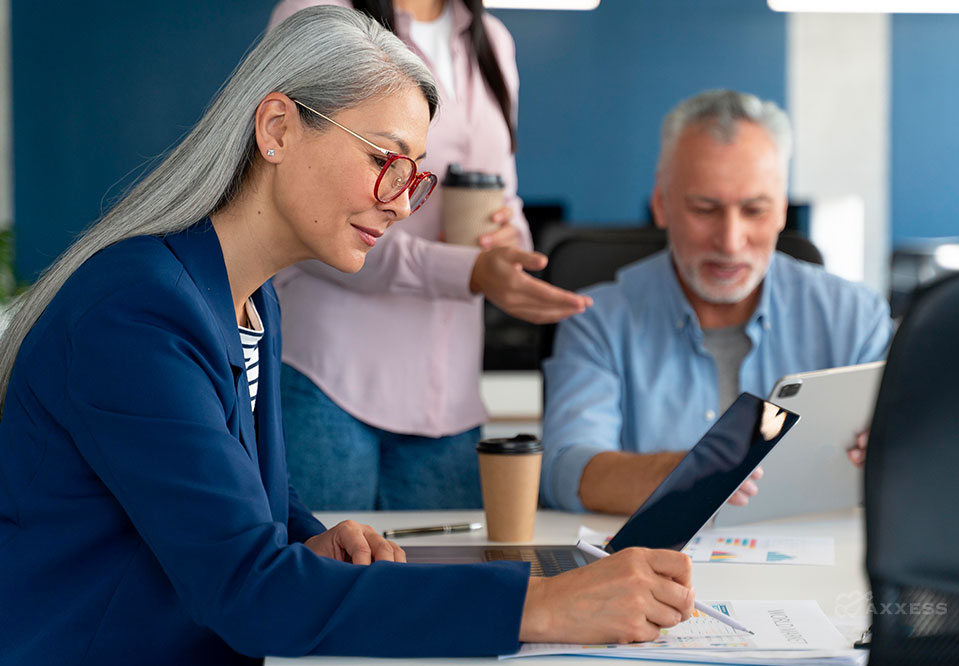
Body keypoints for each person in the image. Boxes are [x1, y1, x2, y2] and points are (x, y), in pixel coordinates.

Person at [0, 8, 693, 664]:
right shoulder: (138, 315)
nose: (400, 202)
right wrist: (540, 605)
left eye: (414, 176)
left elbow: (234, 511)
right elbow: (249, 592)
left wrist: (306, 539)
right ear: (276, 128)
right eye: (384, 159)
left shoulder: (252, 301)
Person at [267, 0, 589, 510]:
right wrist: (471, 273)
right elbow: (307, 214)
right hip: (330, 384)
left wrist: (512, 250)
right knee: (323, 581)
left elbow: (503, 195)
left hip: (450, 405)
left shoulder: (494, 43)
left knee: (443, 584)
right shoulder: (319, 15)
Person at [540, 90, 893, 515]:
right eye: (705, 209)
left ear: (782, 209)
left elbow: (915, 457)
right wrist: (689, 474)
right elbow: (565, 473)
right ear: (661, 204)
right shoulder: (595, 321)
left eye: (755, 210)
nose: (730, 241)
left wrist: (897, 455)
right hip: (652, 572)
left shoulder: (855, 318)